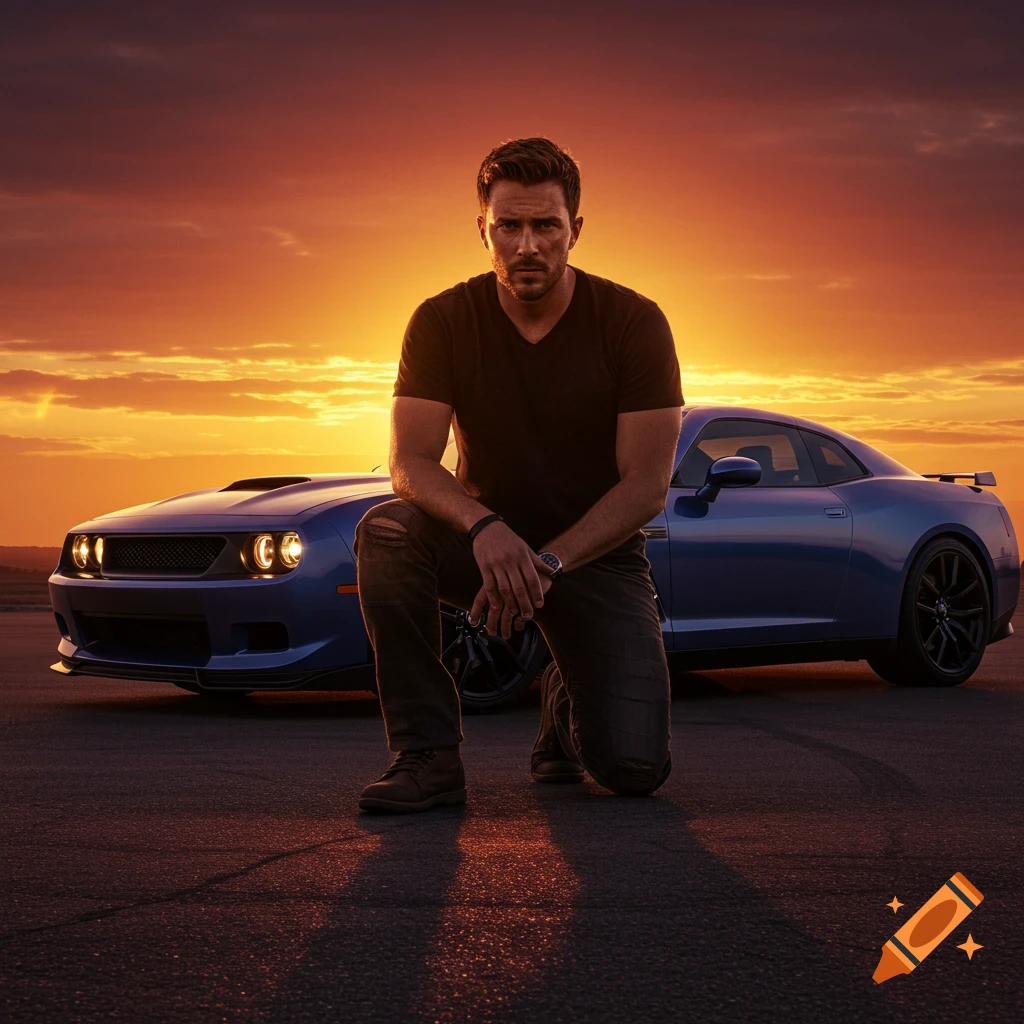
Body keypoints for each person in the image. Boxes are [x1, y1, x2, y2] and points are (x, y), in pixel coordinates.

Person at [354, 137, 683, 813]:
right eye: (509, 226)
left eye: (545, 226)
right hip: (485, 545)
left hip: (592, 557)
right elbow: (410, 462)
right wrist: (484, 527)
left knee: (634, 770)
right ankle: (427, 757)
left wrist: (552, 561)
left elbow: (645, 486)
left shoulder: (634, 323)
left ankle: (564, 700)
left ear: (576, 231)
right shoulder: (443, 320)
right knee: (385, 533)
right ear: (483, 230)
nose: (527, 245)